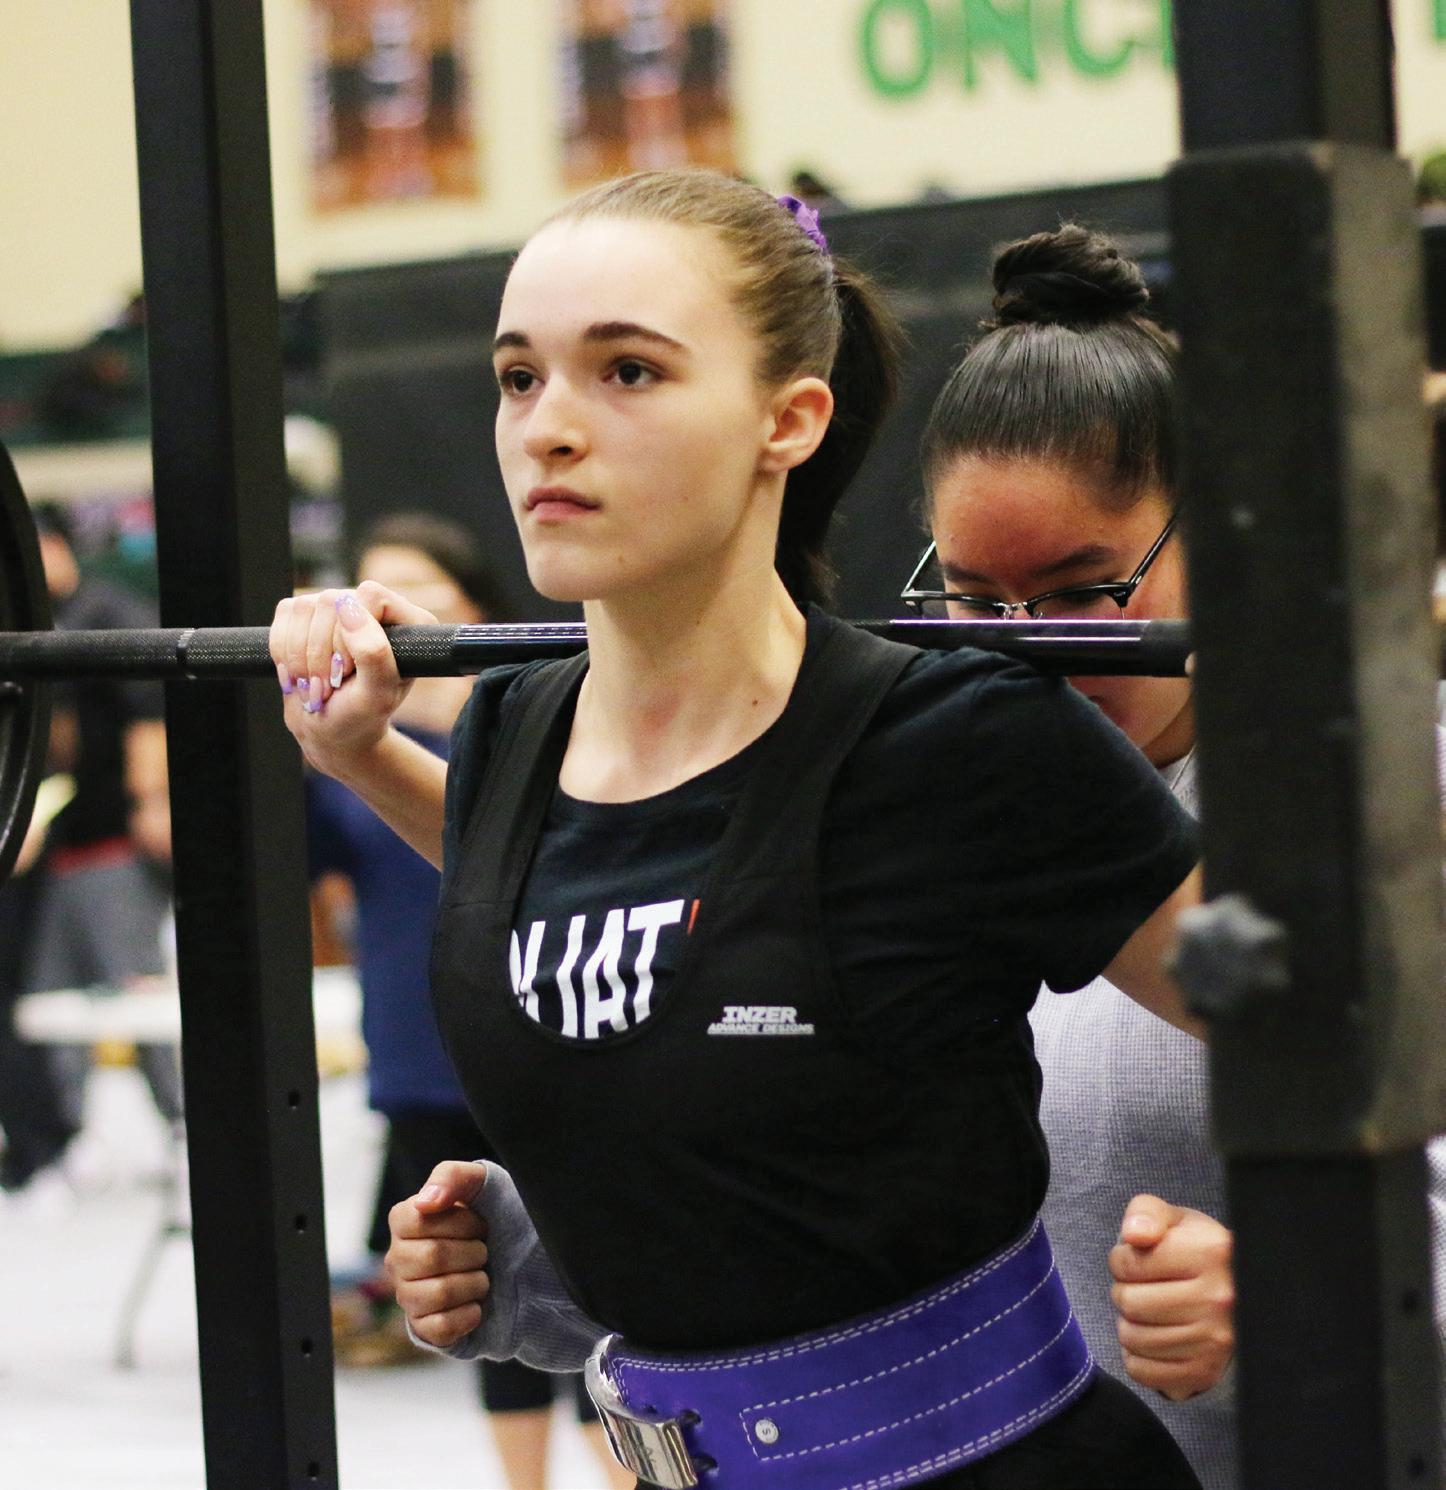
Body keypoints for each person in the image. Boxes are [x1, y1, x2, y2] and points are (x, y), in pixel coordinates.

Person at [271, 169, 1204, 1489]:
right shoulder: (507, 739)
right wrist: (358, 752)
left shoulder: (958, 737)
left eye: (628, 372)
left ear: (789, 418)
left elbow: (1345, 1038)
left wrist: (1299, 1248)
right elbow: (662, 913)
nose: (549, 428)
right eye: (517, 377)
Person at [908, 222, 1446, 1490]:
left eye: (1086, 587)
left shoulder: (1389, 796)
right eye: (976, 600)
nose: (1023, 648)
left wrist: (1304, 1282)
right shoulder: (925, 809)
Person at [304, 514, 628, 1489]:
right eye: (360, 587)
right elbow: (311, 878)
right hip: (416, 1042)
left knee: (597, 1286)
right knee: (488, 1299)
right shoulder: (348, 745)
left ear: (473, 607)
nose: (375, 608)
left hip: (554, 1039)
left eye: (402, 586)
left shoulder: (542, 716)